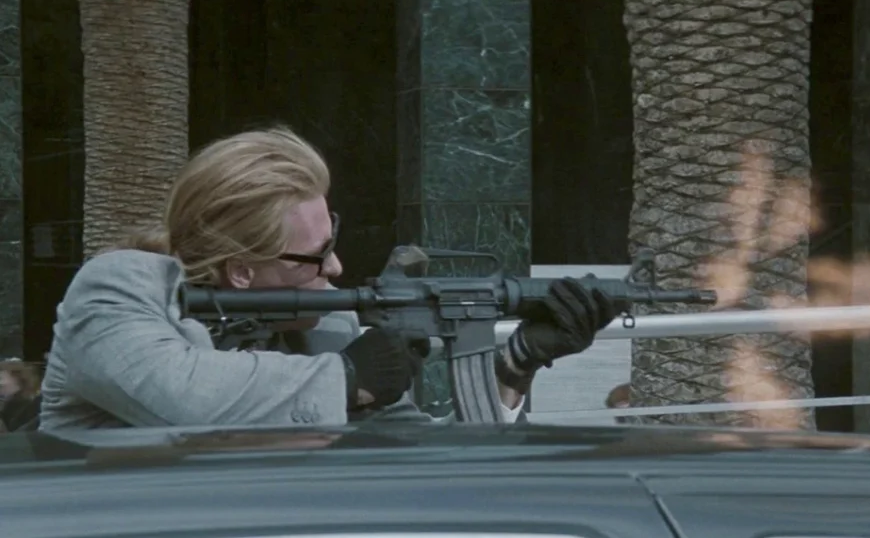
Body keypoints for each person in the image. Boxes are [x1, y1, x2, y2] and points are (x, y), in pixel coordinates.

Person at [40, 126, 616, 430]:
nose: (336, 269)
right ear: (241, 271)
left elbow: (426, 459)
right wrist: (347, 379)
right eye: (316, 256)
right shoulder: (119, 289)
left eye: (332, 242)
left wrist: (513, 365)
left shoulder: (324, 327)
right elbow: (182, 395)